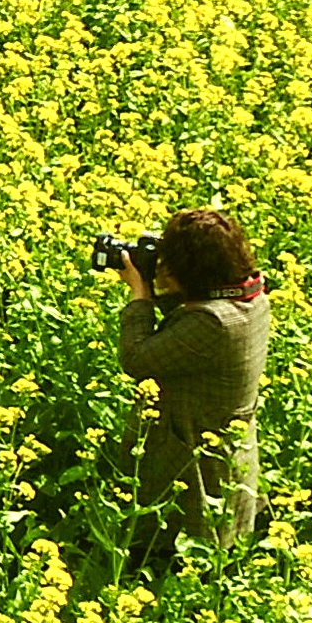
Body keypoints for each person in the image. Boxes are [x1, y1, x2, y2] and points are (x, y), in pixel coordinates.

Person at [110, 206, 271, 560]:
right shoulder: (252, 297)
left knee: (174, 560)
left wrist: (140, 294)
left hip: (193, 465)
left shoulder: (214, 324)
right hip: (228, 450)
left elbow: (137, 359)